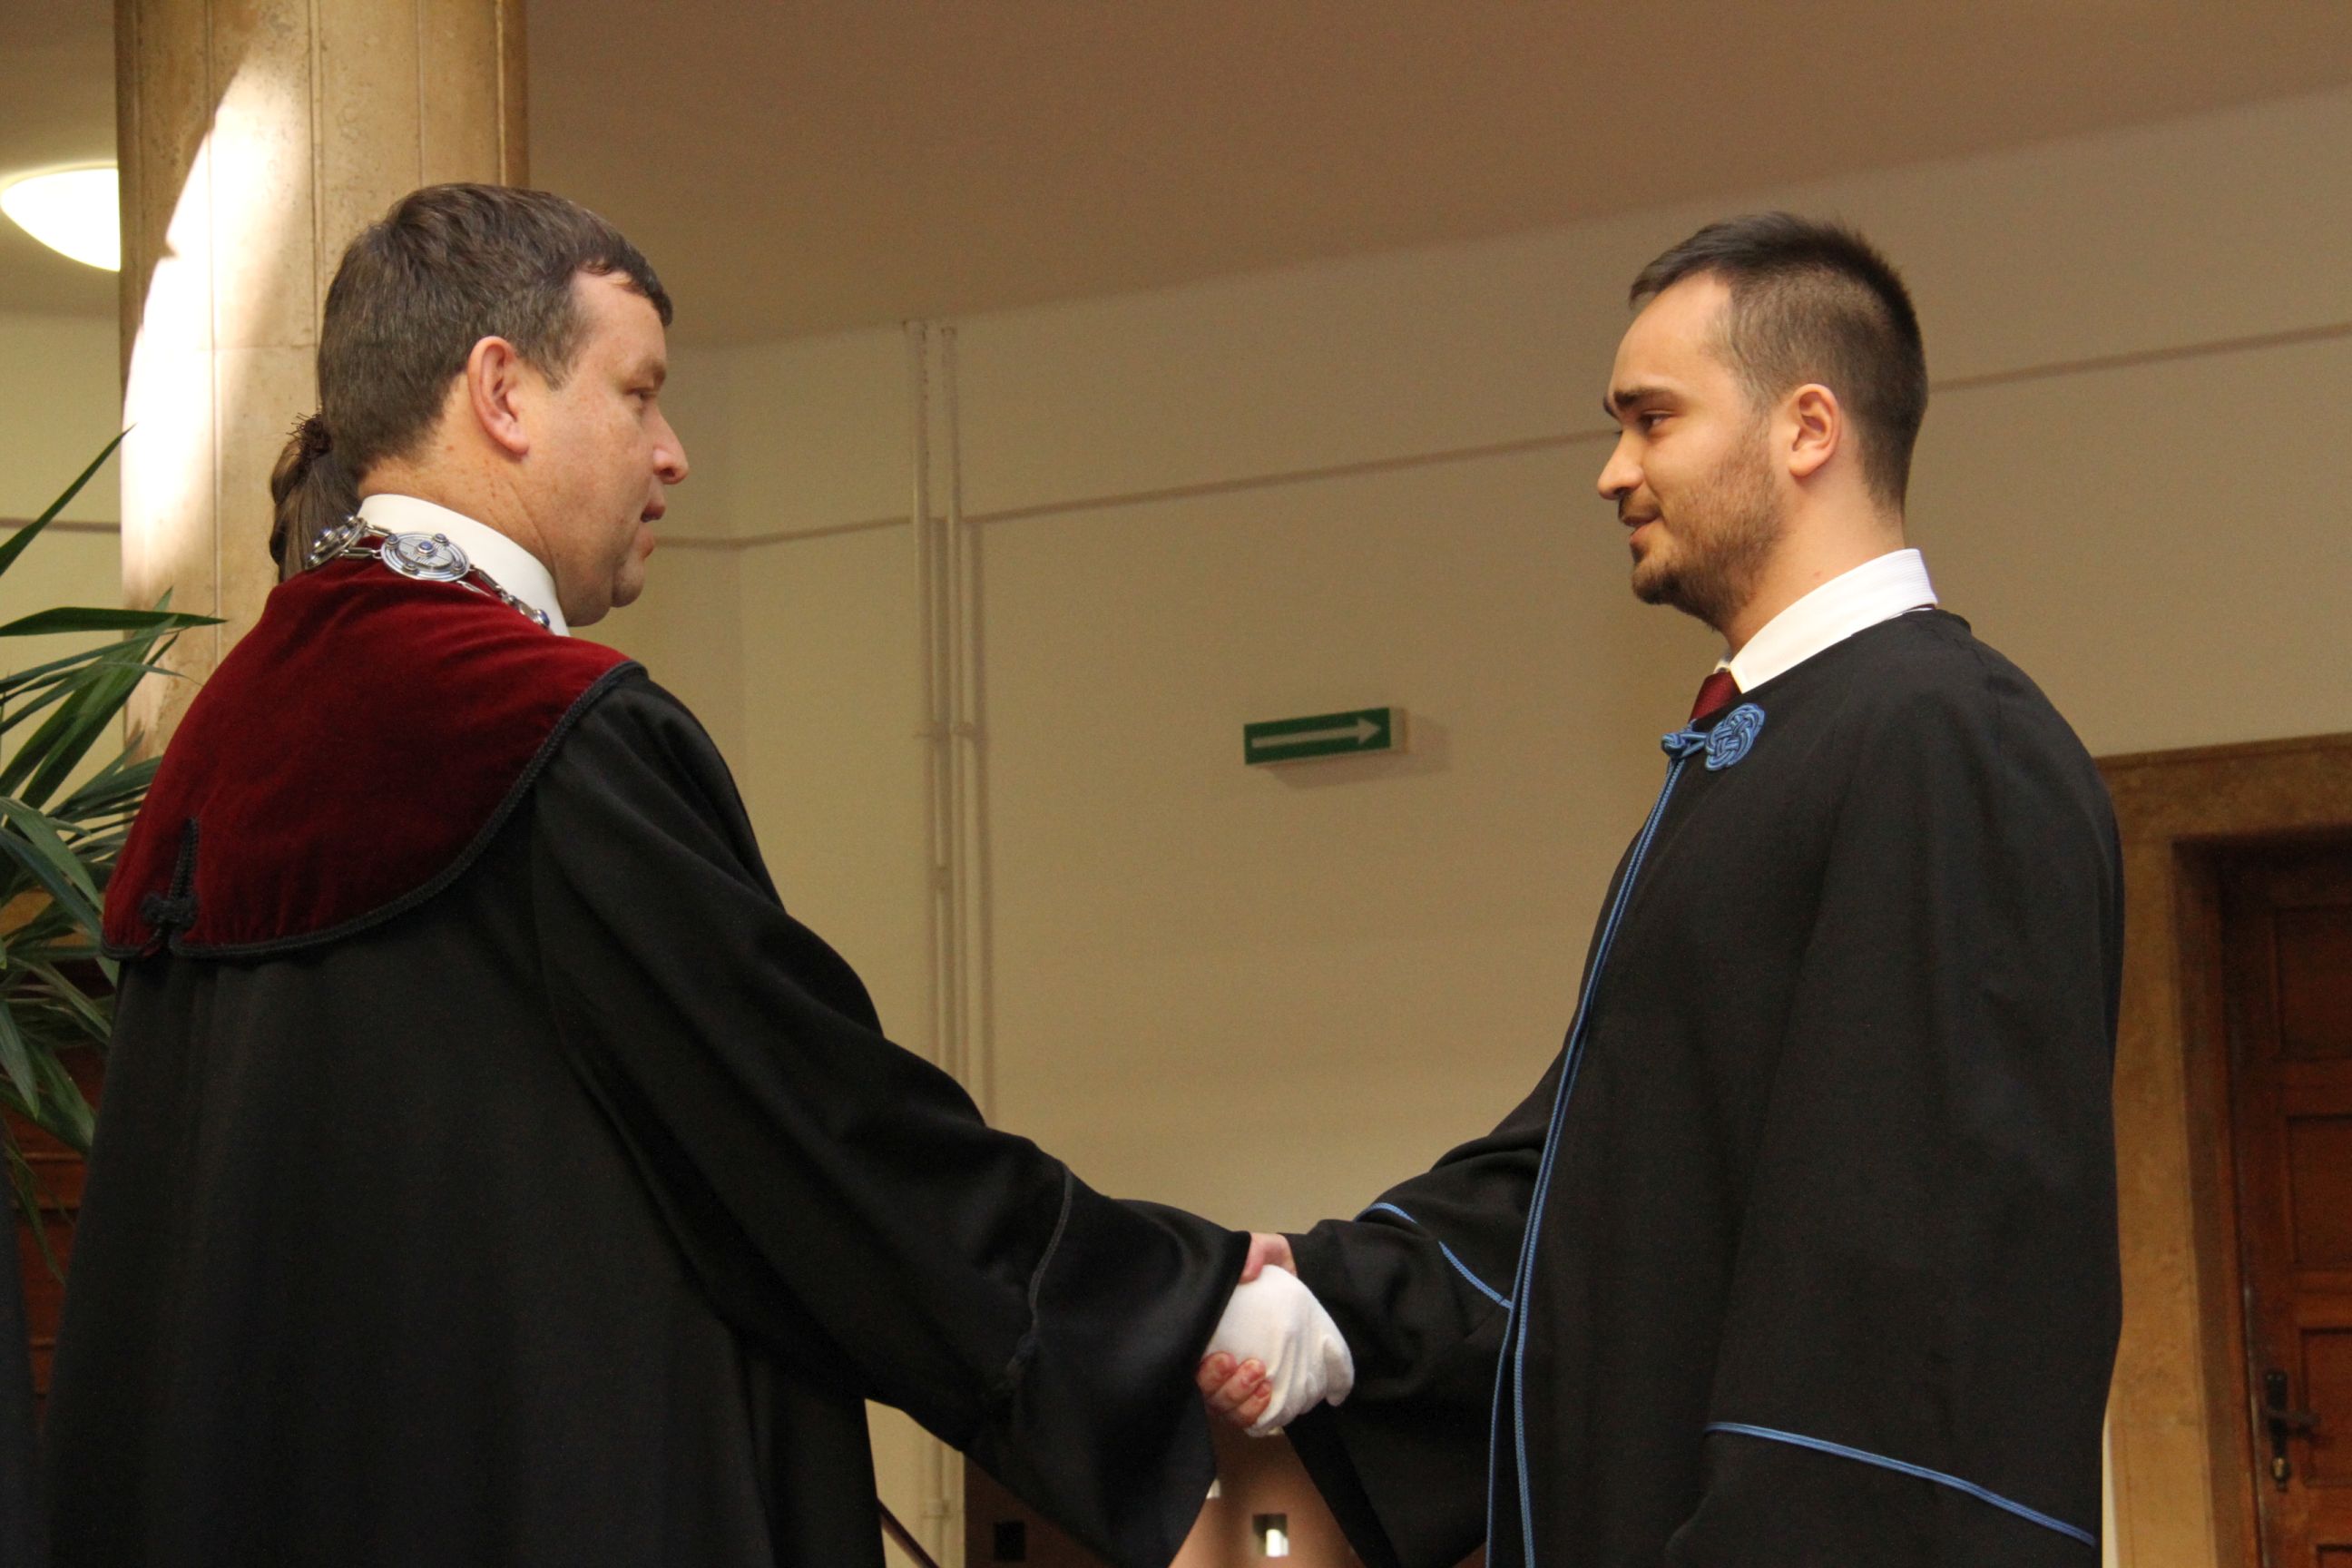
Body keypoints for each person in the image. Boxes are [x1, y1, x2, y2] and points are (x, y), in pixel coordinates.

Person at [44, 182, 1347, 1568]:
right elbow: (807, 1126)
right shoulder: (539, 727)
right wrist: (1172, 1299)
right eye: (639, 393)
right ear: (501, 392)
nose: (670, 454)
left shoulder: (220, 738)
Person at [1200, 213, 2123, 1566]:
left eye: (1651, 419)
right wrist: (1340, 1303)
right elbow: (1605, 1164)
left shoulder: (1943, 739)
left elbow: (1929, 1272)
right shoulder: (1770, 744)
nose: (1612, 471)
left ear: (1808, 428)